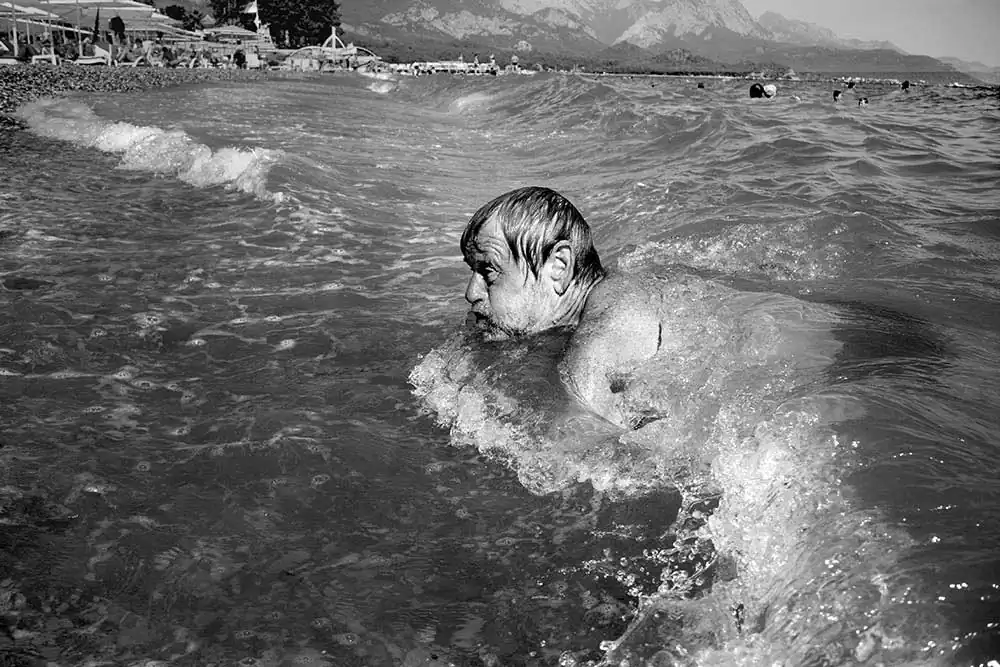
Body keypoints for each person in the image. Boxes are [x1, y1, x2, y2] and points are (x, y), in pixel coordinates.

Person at [460, 186, 664, 427]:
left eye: (488, 271)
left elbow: (591, 437)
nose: (471, 293)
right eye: (473, 271)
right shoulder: (574, 318)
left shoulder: (605, 335)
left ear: (559, 266)